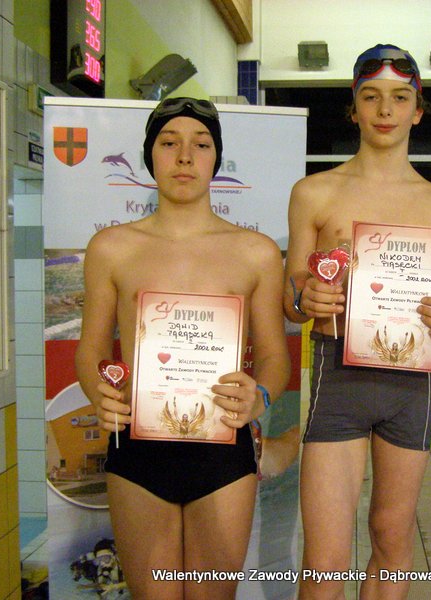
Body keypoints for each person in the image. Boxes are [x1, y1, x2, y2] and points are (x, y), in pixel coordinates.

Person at [75, 97, 290, 599]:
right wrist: (99, 393)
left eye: (201, 145)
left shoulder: (255, 252)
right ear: (150, 156)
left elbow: (275, 356)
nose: (185, 157)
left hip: (223, 451)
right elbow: (90, 350)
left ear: (217, 158)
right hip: (138, 450)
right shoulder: (112, 248)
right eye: (169, 143)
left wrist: (261, 395)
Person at [283, 44, 431, 600]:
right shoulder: (315, 192)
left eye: (400, 98)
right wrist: (307, 296)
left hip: (413, 386)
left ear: (417, 111)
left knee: (391, 537)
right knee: (325, 561)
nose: (385, 110)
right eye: (371, 97)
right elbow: (290, 299)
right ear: (354, 109)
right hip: (337, 378)